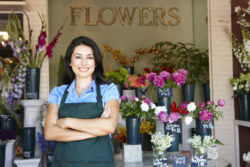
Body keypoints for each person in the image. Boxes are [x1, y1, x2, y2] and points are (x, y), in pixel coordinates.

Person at [44, 36, 120, 167]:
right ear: (69, 61)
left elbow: (110, 127)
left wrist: (67, 122)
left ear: (95, 62)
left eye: (90, 57)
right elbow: (50, 133)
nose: (84, 63)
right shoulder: (58, 93)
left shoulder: (108, 90)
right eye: (78, 57)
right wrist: (96, 130)